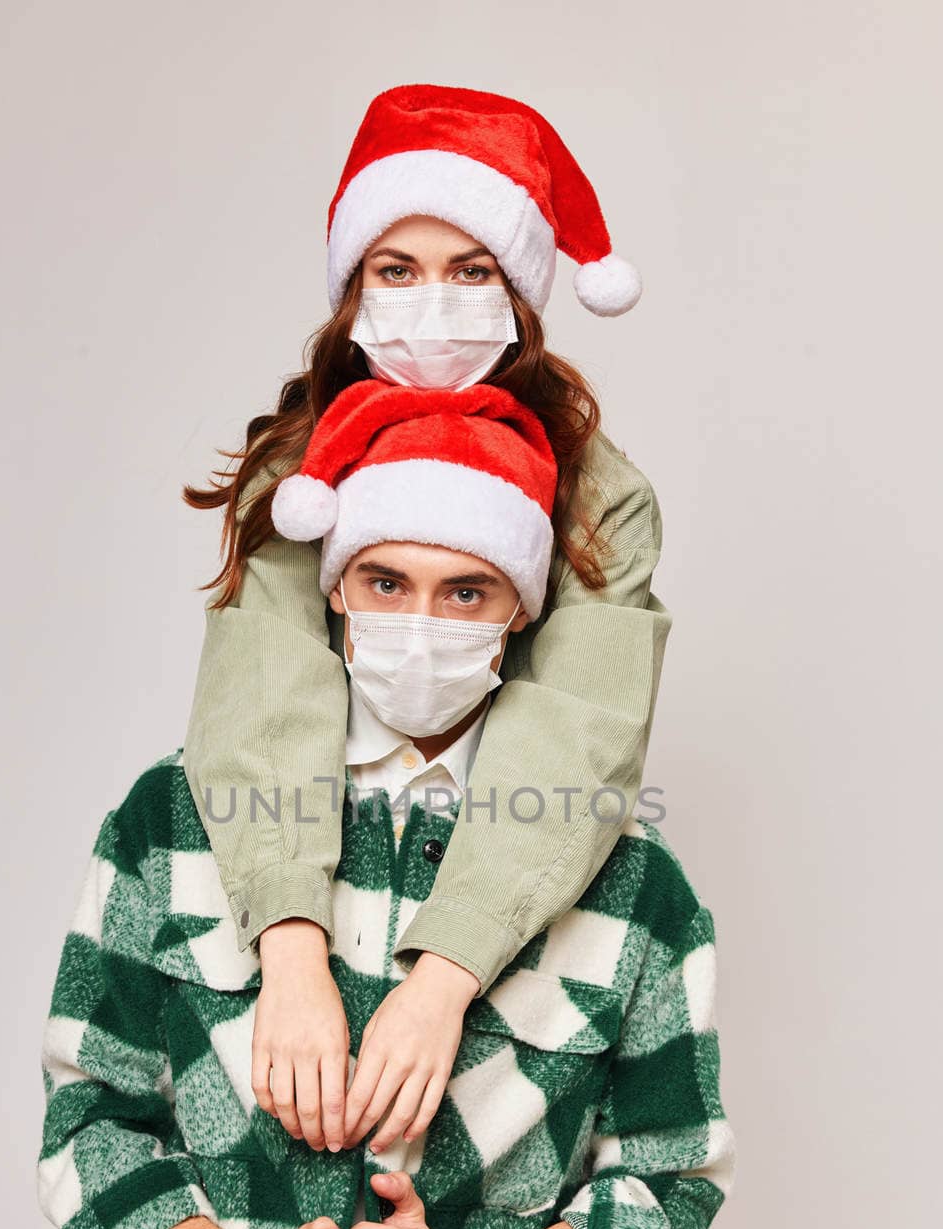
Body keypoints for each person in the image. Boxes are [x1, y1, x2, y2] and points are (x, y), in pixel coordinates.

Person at [38, 382, 735, 1229]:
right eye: (385, 582)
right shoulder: (176, 820)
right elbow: (89, 1117)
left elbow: (672, 1185)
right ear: (333, 590)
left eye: (464, 590)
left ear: (518, 611)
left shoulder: (633, 888)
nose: (422, 624)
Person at [180, 83, 673, 1163]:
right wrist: (296, 955)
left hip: (502, 888)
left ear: (523, 291)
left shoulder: (598, 497)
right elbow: (263, 694)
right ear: (351, 288)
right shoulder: (294, 476)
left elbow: (577, 728)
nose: (430, 303)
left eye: (471, 270)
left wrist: (441, 980)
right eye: (395, 270)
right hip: (332, 869)